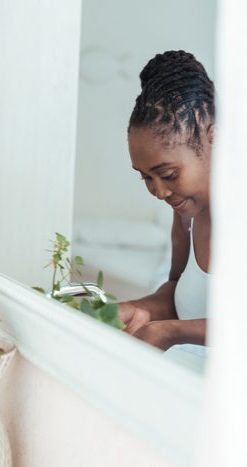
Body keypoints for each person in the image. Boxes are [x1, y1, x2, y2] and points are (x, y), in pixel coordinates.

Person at [119, 50, 214, 354]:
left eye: (168, 174)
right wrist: (141, 309)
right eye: (146, 177)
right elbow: (179, 297)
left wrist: (170, 332)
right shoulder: (187, 214)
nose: (159, 192)